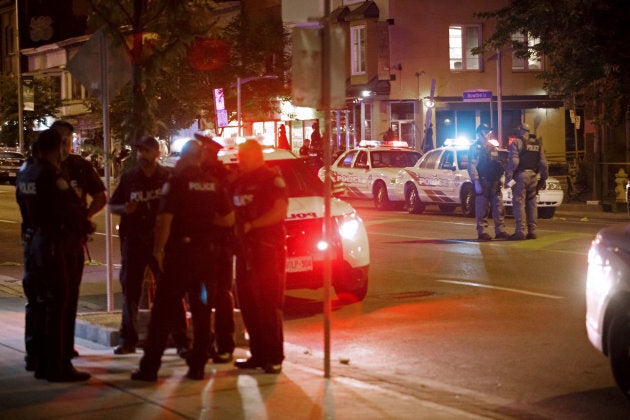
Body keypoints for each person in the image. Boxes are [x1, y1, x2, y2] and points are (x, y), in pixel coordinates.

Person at [131, 140, 234, 381]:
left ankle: (149, 368)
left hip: (180, 258)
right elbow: (229, 219)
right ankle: (197, 367)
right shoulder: (212, 183)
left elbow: (164, 220)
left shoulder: (176, 182)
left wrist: (159, 250)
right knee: (202, 312)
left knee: (162, 313)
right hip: (207, 257)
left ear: (186, 157)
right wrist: (207, 223)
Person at [16, 129, 92, 382]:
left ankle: (36, 358)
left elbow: (23, 207)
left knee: (36, 302)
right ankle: (57, 365)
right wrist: (85, 225)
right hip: (53, 244)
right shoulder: (51, 174)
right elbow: (69, 209)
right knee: (58, 304)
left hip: (33, 243)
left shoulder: (25, 171)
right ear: (58, 147)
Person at [109, 136, 189, 355]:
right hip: (134, 240)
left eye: (146, 151)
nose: (141, 155)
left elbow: (179, 207)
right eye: (139, 151)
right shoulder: (129, 178)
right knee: (131, 291)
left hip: (161, 241)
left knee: (170, 290)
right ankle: (128, 340)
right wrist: (125, 208)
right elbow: (112, 205)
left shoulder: (167, 177)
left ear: (156, 153)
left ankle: (182, 340)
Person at [231, 139, 288, 374]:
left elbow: (280, 211)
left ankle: (274, 357)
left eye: (243, 156)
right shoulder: (238, 182)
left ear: (256, 156)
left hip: (267, 250)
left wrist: (252, 225)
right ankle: (258, 354)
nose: (239, 160)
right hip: (244, 253)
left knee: (268, 305)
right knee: (248, 305)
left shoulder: (271, 179)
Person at [52, 120, 107, 360]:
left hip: (72, 240)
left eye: (68, 140)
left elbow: (100, 196)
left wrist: (83, 217)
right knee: (47, 298)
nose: (65, 145)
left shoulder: (79, 166)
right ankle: (48, 348)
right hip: (45, 242)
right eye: (61, 140)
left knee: (69, 296)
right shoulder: (41, 166)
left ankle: (64, 346)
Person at [194, 133, 236, 364]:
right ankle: (204, 343)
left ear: (211, 152)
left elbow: (229, 213)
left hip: (220, 244)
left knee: (221, 295)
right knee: (201, 296)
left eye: (204, 151)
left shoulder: (225, 178)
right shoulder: (199, 175)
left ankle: (225, 343)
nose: (201, 154)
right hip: (201, 245)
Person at [504, 123, 549, 240]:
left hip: (521, 177)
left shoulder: (517, 142)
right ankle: (532, 231)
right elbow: (543, 164)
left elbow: (513, 163)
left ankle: (520, 232)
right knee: (532, 204)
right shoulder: (538, 144)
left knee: (519, 203)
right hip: (533, 177)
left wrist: (508, 180)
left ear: (520, 130)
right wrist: (543, 179)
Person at [468, 123, 508, 241]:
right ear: (479, 133)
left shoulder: (492, 147)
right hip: (483, 181)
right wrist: (476, 182)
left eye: (489, 132)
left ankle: (500, 230)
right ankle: (482, 232)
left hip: (494, 182)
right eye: (486, 132)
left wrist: (502, 178)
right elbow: (472, 166)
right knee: (482, 208)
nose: (488, 135)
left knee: (498, 207)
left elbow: (498, 164)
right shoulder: (475, 148)